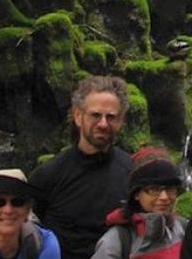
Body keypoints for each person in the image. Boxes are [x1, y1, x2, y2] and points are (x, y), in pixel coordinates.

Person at [30, 76, 133, 259]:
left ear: (121, 121)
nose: (103, 124)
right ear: (78, 116)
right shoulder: (49, 175)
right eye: (95, 115)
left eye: (111, 117)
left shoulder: (133, 172)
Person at [91, 148, 186, 259]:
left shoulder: (183, 229)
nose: (164, 197)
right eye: (154, 189)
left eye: (170, 189)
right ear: (136, 194)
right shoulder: (118, 242)